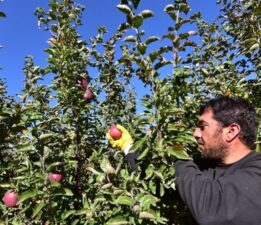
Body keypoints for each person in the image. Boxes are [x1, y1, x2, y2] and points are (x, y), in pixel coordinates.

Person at [107, 96, 261, 225]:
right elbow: (157, 181)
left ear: (231, 131)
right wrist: (128, 146)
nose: (195, 133)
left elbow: (211, 210)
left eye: (203, 126)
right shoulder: (206, 167)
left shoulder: (257, 170)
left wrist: (177, 154)